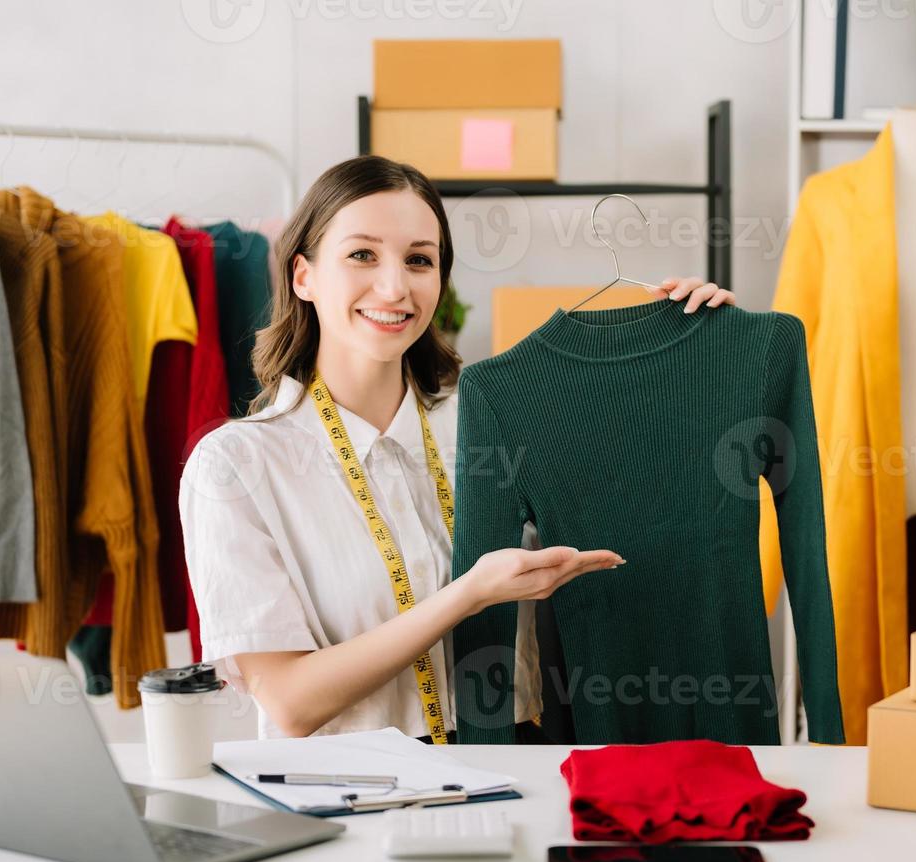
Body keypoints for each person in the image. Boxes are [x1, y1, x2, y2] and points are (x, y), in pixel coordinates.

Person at [180, 155, 735, 742]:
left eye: (420, 259)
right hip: (351, 798)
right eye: (362, 254)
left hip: (515, 766)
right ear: (303, 276)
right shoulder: (236, 466)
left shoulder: (489, 420)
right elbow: (291, 703)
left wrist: (693, 347)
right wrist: (469, 594)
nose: (395, 287)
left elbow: (649, 476)